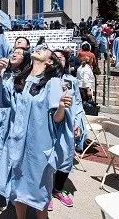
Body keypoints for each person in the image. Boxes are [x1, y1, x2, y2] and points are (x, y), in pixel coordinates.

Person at [0, 44, 71, 219]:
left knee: (38, 195)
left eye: (45, 49)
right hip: (16, 145)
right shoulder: (19, 80)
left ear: (50, 61)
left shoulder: (53, 82)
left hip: (37, 148)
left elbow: (57, 119)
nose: (39, 48)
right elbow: (1, 101)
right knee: (18, 189)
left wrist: (61, 107)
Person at [0, 18, 31, 213]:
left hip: (17, 127)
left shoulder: (29, 78)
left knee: (14, 163)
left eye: (20, 50)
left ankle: (10, 194)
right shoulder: (3, 71)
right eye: (14, 50)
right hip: (0, 123)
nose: (15, 52)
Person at [49, 50, 87, 211]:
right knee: (47, 157)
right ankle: (44, 192)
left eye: (61, 57)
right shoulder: (45, 80)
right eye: (55, 57)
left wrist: (77, 123)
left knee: (65, 156)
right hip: (48, 123)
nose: (58, 60)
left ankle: (57, 189)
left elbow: (78, 104)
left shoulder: (71, 80)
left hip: (67, 124)